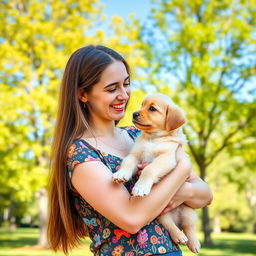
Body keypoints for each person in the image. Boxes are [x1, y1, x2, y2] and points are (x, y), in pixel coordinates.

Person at [47, 45, 213, 256]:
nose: (124, 95)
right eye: (111, 88)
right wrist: (184, 166)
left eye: (126, 84)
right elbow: (132, 219)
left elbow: (205, 195)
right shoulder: (82, 154)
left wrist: (183, 191)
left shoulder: (141, 135)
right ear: (83, 94)